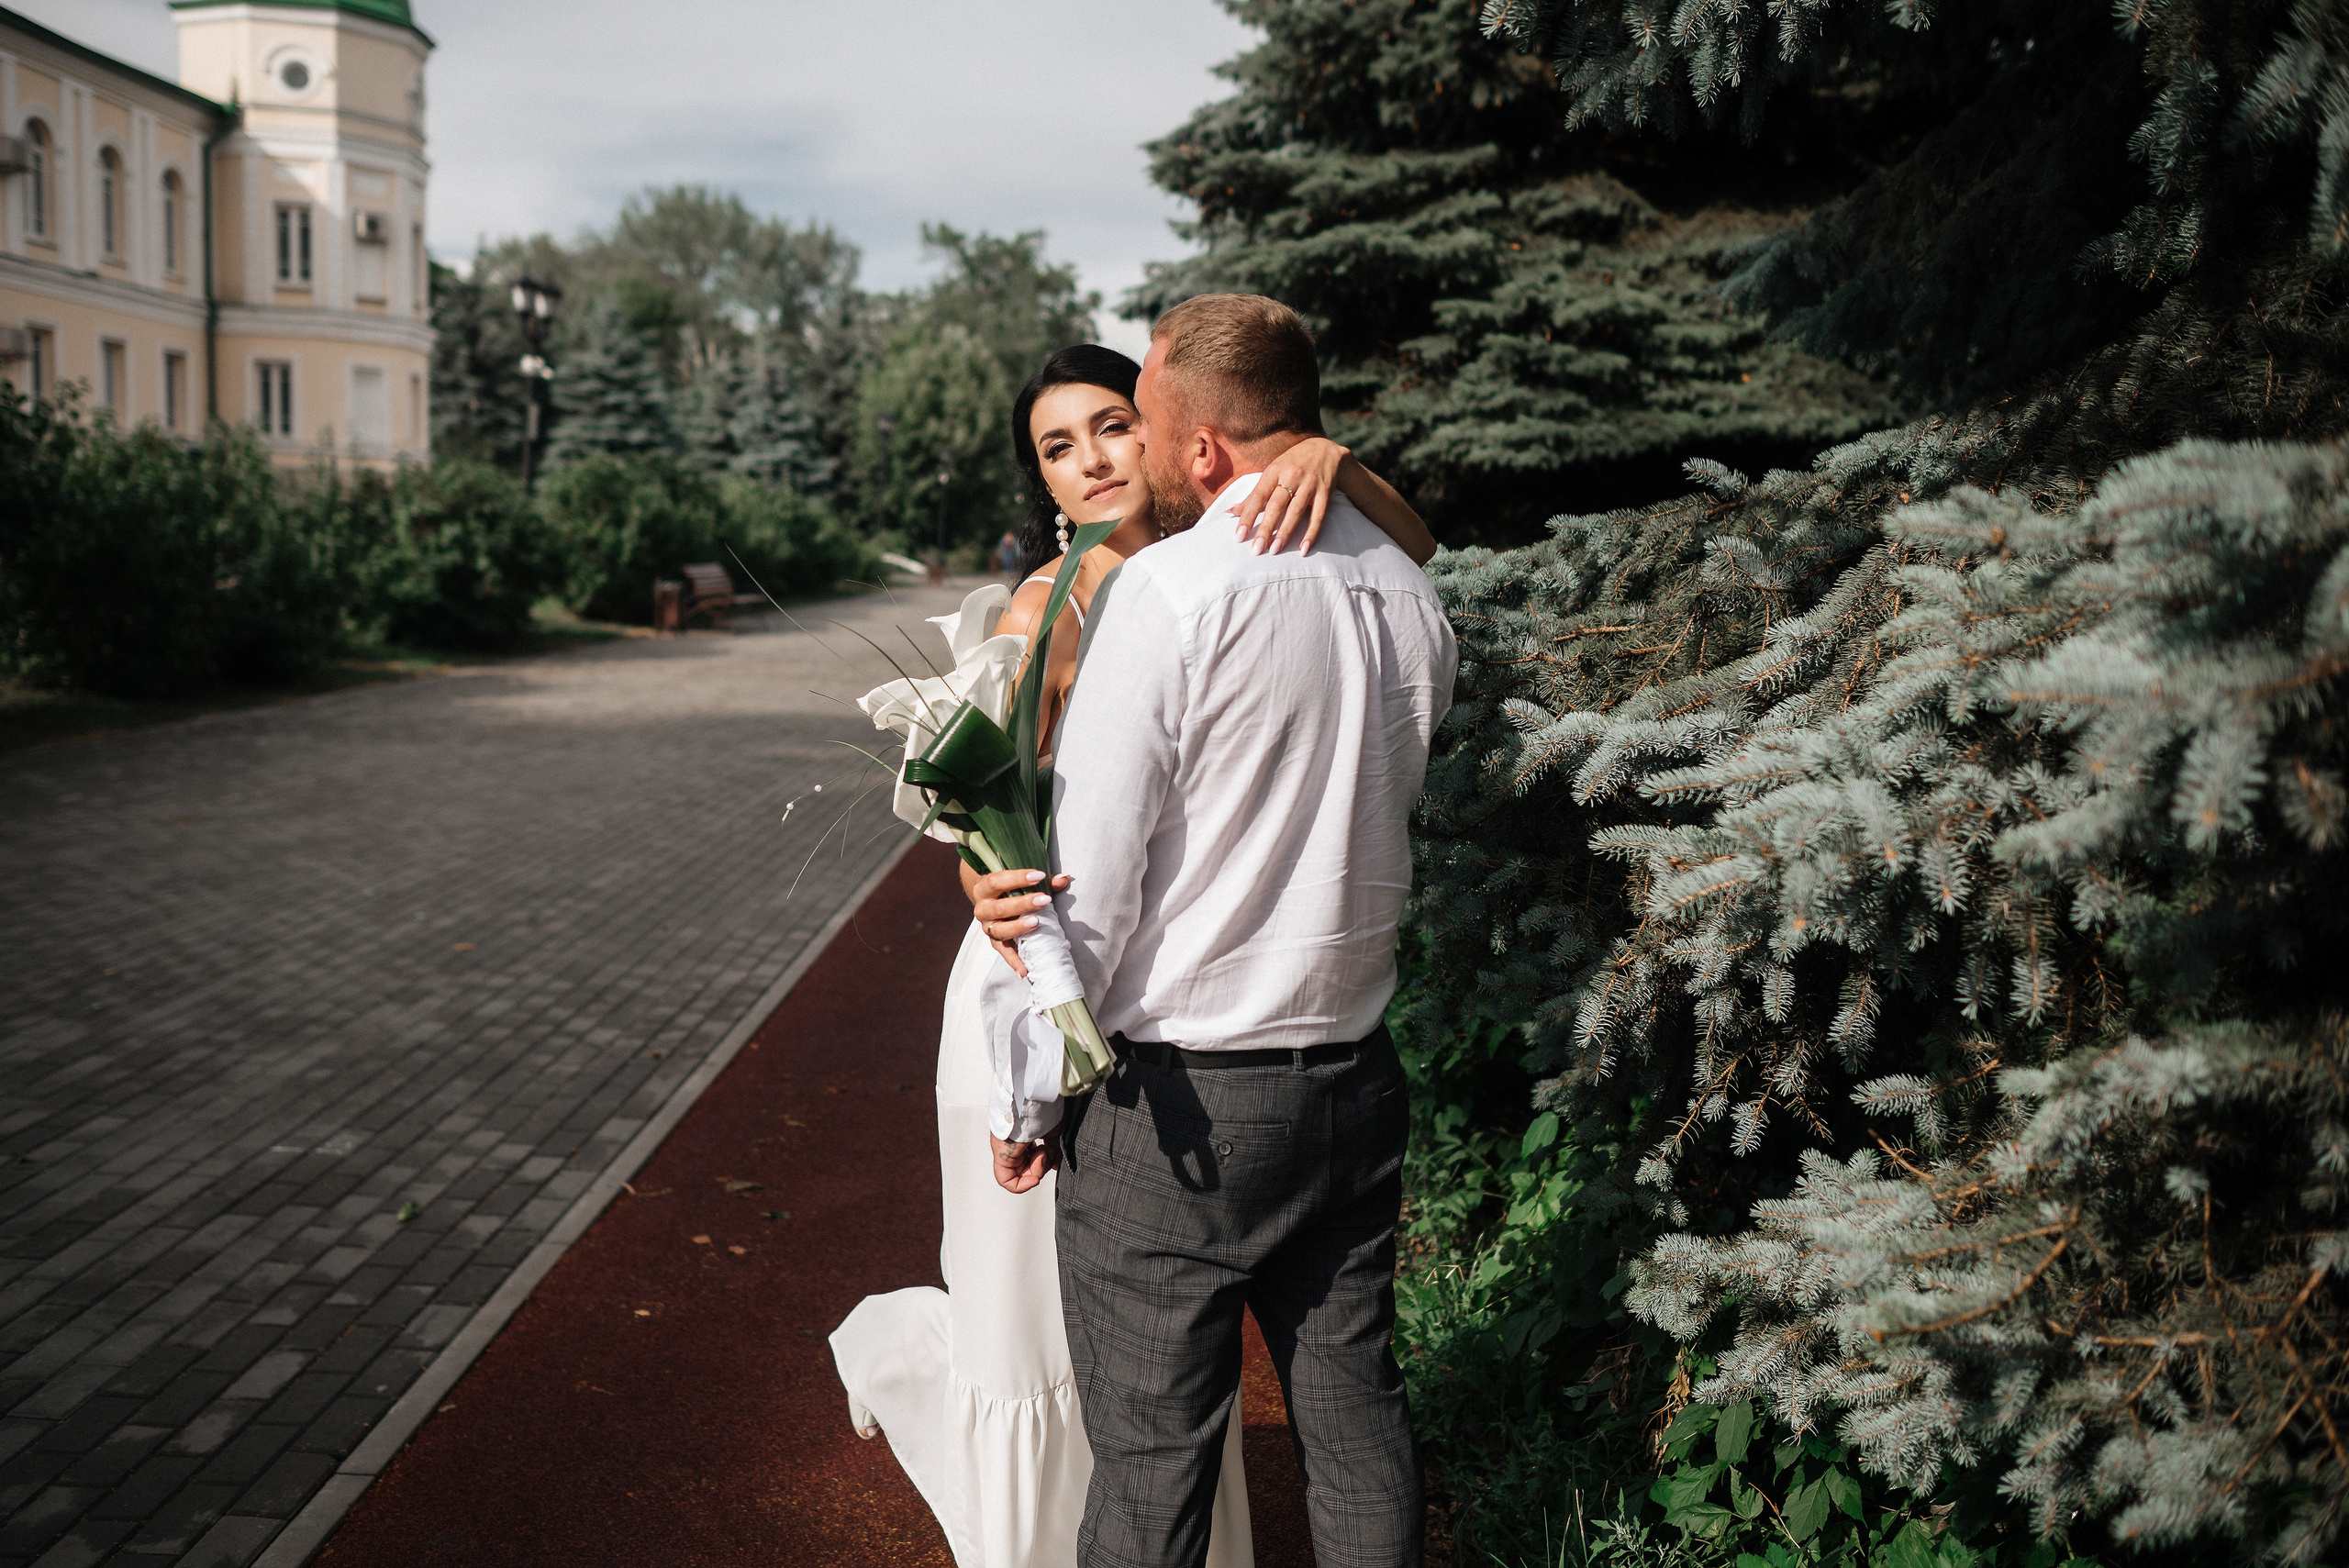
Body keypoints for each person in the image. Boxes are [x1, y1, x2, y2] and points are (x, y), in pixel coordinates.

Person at [829, 338, 1437, 1568]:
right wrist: (982, 886)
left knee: (1148, 1412)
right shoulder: (1041, 608)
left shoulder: (1237, 547)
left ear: (1174, 438)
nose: (1097, 459)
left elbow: (1405, 532)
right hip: (1045, 989)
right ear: (1040, 480)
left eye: (1116, 424)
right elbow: (1001, 828)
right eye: (1059, 446)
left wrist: (1325, 454)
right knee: (1059, 1348)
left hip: (1134, 1026)